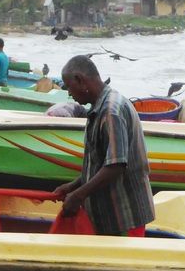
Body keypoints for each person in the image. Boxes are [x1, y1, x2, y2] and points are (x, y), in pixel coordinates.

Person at [52, 55, 153, 237]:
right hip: (110, 216)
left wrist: (78, 195)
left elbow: (116, 166)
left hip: (124, 217)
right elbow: (100, 162)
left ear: (80, 80)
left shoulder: (110, 111)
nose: (68, 93)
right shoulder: (99, 107)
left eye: (69, 87)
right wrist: (73, 186)